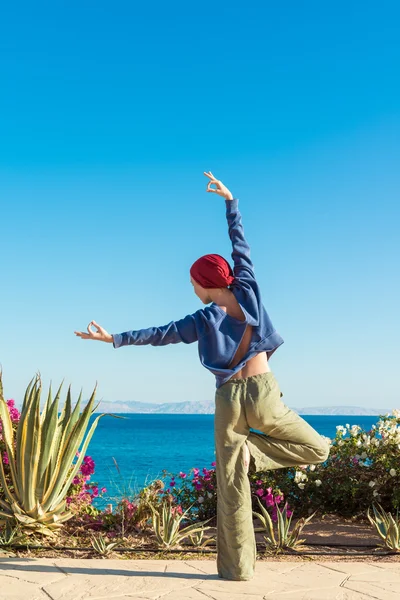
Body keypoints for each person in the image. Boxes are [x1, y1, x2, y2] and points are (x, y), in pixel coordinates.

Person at [75, 171, 329, 581]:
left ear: (203, 284)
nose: (191, 287)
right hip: (264, 394)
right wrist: (232, 202)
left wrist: (114, 339)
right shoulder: (249, 289)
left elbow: (160, 334)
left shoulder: (202, 317)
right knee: (319, 449)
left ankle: (237, 569)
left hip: (229, 399)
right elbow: (240, 245)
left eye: (193, 282)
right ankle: (257, 458)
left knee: (232, 489)